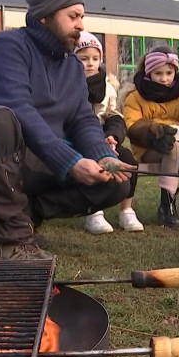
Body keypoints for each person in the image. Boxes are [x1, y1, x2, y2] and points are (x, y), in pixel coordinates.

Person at [0, 0, 133, 261]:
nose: (81, 25)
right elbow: (19, 109)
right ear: (44, 16)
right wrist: (70, 162)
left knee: (122, 172)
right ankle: (13, 243)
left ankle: (24, 215)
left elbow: (82, 120)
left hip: (36, 161)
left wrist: (102, 155)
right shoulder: (6, 46)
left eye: (82, 17)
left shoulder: (72, 66)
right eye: (73, 16)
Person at [123, 46, 179, 229]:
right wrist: (154, 130)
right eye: (158, 73)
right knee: (173, 148)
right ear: (148, 72)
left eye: (169, 72)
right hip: (148, 146)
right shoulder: (135, 96)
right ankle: (167, 207)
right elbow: (132, 126)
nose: (164, 78)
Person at [73, 31, 144, 234]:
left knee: (128, 157)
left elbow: (115, 115)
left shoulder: (108, 88)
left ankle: (126, 209)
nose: (90, 64)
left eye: (95, 59)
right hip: (80, 138)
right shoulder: (69, 85)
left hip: (106, 136)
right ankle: (94, 212)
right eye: (83, 58)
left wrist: (113, 135)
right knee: (92, 163)